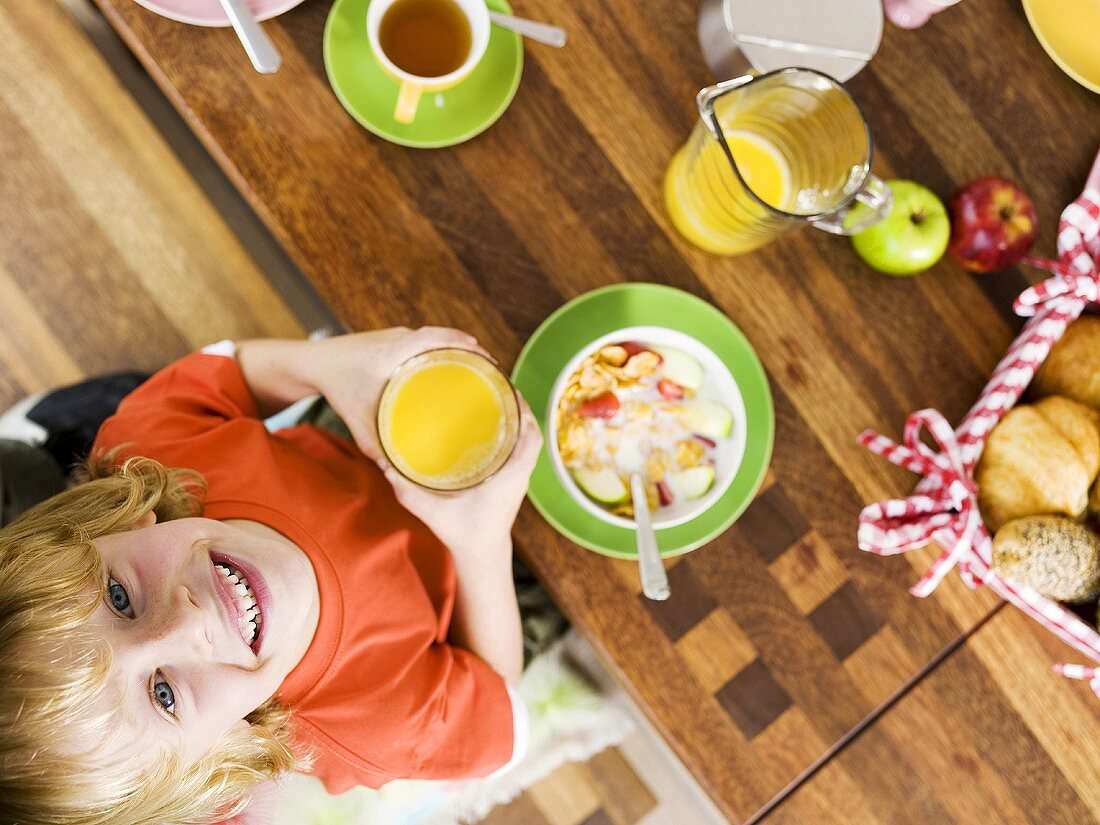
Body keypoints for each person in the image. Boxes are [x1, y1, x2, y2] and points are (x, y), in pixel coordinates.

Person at [0, 327, 542, 825]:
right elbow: (506, 717)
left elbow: (226, 369)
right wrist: (483, 541)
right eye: (164, 695)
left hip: (363, 448)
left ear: (107, 526)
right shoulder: (378, 727)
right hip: (500, 585)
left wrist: (328, 365)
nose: (188, 623)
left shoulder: (149, 449)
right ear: (218, 754)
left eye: (120, 598)